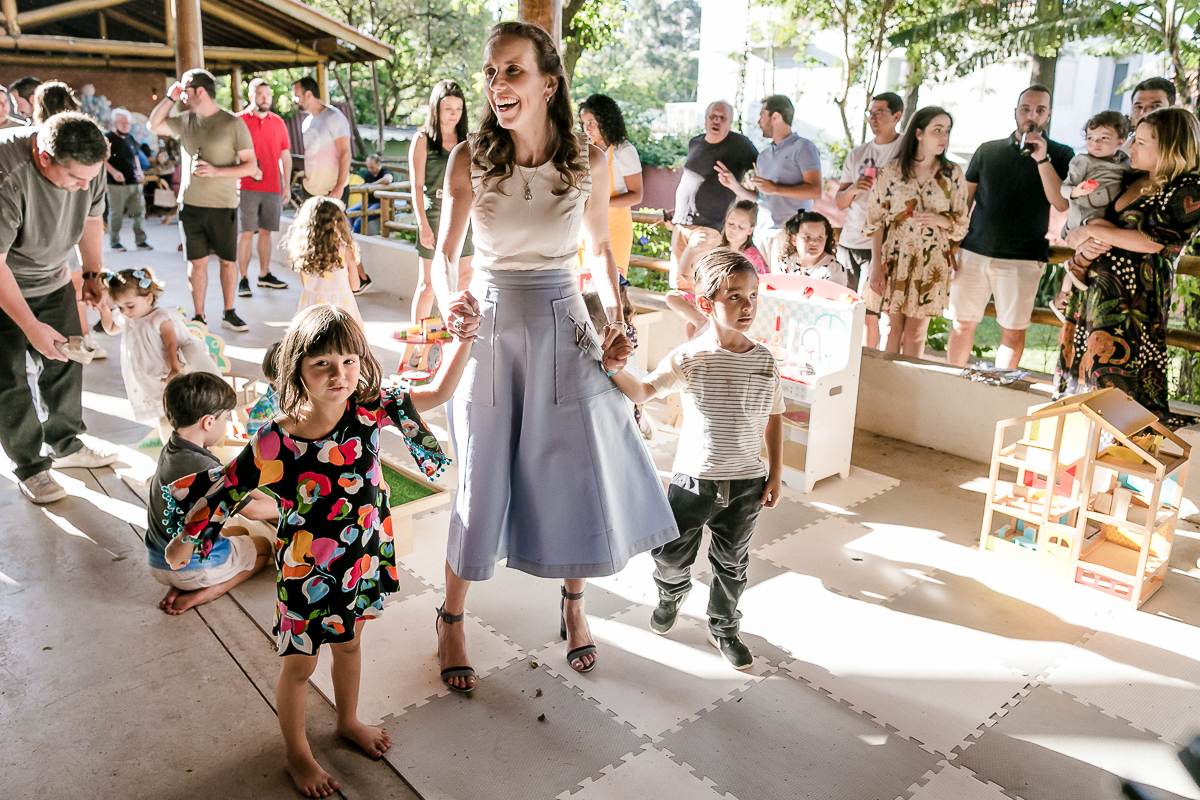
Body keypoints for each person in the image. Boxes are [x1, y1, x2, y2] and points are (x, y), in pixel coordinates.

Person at [430, 21, 679, 690]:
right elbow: (443, 257)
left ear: (548, 82)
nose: (497, 84)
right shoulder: (468, 161)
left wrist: (618, 321)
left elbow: (598, 253)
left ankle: (574, 607)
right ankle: (451, 618)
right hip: (490, 326)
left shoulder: (587, 161)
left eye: (512, 70)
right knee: (481, 481)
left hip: (567, 323)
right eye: (491, 72)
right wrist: (446, 301)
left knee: (574, 471)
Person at [162, 304, 470, 798]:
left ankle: (347, 719)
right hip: (306, 570)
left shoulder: (370, 407)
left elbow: (435, 394)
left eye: (349, 361)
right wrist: (186, 539)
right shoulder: (273, 440)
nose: (339, 374)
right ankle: (296, 753)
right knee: (300, 667)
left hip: (363, 555)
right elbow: (225, 489)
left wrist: (463, 341)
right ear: (298, 369)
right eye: (322, 364)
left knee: (350, 643)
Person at [610, 248, 783, 669]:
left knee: (733, 563)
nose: (747, 306)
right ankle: (671, 594)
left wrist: (775, 470)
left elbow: (775, 417)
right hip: (692, 483)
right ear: (705, 304)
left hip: (746, 485)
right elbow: (643, 392)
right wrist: (613, 367)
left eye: (753, 295)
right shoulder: (690, 358)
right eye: (735, 297)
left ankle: (724, 626)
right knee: (669, 555)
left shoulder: (763, 361)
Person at [1055, 108, 1200, 423]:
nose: (1130, 148)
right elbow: (1084, 220)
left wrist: (1094, 230)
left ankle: (1114, 466)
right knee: (1081, 389)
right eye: (1133, 139)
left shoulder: (1188, 189)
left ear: (1169, 148)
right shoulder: (1130, 176)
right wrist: (1079, 256)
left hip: (1132, 306)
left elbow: (1152, 241)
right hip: (1092, 297)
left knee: (1119, 398)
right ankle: (1076, 466)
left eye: (1141, 142)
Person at [0, 112, 116, 504]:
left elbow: (93, 219)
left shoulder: (89, 165)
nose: (85, 185)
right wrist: (31, 326)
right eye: (76, 179)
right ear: (45, 157)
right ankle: (30, 467)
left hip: (52, 277)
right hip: (6, 280)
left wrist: (92, 274)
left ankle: (65, 445)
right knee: (9, 377)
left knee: (68, 358)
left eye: (90, 177)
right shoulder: (8, 173)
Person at [946, 85, 1074, 369]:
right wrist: (951, 247)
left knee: (1012, 331)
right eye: (1026, 109)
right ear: (1015, 112)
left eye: (1040, 110)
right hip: (974, 252)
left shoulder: (1062, 154)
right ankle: (951, 380)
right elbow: (963, 202)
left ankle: (998, 390)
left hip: (1023, 257)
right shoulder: (987, 151)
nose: (1032, 115)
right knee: (961, 324)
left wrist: (1042, 158)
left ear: (1049, 115)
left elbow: (1061, 203)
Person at [147, 372, 275, 615]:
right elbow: (254, 511)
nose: (225, 425)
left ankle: (181, 585)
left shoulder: (172, 449)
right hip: (192, 570)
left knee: (238, 532)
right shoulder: (203, 467)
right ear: (208, 422)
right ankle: (209, 591)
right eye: (225, 419)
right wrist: (293, 504)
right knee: (262, 546)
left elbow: (233, 481)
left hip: (159, 561)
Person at [148, 68, 257, 331]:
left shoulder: (233, 123)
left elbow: (251, 166)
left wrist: (217, 171)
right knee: (196, 262)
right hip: (190, 206)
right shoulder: (185, 120)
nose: (183, 95)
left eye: (185, 90)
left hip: (223, 205)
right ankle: (199, 316)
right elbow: (153, 124)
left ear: (199, 91)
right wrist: (170, 97)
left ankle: (229, 312)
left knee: (227, 262)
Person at [863, 107, 969, 359]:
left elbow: (961, 223)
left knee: (916, 332)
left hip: (931, 261)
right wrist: (876, 265)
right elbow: (875, 221)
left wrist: (939, 219)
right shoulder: (891, 171)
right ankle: (886, 385)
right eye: (937, 130)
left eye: (946, 131)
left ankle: (909, 388)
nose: (943, 137)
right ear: (919, 133)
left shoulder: (953, 174)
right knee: (891, 326)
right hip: (894, 258)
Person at [94, 266, 222, 443]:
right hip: (151, 378)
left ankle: (197, 441)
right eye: (120, 307)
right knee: (164, 414)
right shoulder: (128, 318)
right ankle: (170, 449)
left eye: (129, 306)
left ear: (148, 298)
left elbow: (172, 343)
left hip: (169, 373)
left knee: (180, 410)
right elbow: (109, 328)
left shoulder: (160, 317)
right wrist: (103, 309)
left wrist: (174, 368)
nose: (124, 311)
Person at [716, 95, 821, 265]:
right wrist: (734, 185)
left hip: (789, 237)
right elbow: (760, 198)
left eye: (761, 115)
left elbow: (816, 190)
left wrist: (776, 188)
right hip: (761, 237)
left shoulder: (804, 148)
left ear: (776, 117)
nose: (759, 122)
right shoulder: (763, 156)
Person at [291, 76, 371, 293]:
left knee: (341, 235)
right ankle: (323, 277)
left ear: (309, 94)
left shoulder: (334, 117)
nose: (293, 99)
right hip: (312, 188)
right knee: (314, 234)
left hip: (332, 188)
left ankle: (360, 278)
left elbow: (346, 153)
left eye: (296, 94)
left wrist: (339, 187)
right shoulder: (307, 121)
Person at [837, 92, 904, 348]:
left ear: (896, 116)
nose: (873, 118)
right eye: (871, 113)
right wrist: (854, 188)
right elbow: (839, 202)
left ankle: (869, 365)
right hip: (849, 240)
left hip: (883, 245)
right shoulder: (858, 154)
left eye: (880, 113)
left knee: (870, 314)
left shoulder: (906, 151)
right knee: (845, 309)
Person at [1051, 111, 1131, 316]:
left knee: (1094, 251)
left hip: (1105, 214)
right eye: (1090, 138)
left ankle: (1065, 298)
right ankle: (1064, 295)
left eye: (1104, 138)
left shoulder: (1124, 162)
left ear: (1120, 141)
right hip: (1085, 216)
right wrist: (1077, 191)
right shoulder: (1083, 161)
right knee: (1090, 246)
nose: (1095, 143)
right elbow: (1065, 188)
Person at [670, 101, 758, 276]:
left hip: (710, 226)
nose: (716, 121)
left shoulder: (739, 144)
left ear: (730, 122)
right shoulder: (695, 142)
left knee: (691, 276)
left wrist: (737, 185)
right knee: (677, 286)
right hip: (682, 222)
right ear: (705, 120)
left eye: (722, 118)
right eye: (713, 117)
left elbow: (762, 176)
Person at [410, 81, 472, 321]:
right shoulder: (423, 139)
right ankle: (417, 347)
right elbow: (416, 186)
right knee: (428, 285)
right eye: (448, 109)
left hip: (462, 214)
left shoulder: (467, 140)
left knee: (463, 280)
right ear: (436, 109)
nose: (453, 115)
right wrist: (422, 224)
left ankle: (452, 340)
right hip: (433, 213)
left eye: (458, 109)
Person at [667, 199, 766, 338]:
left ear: (750, 229)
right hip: (713, 299)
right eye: (731, 224)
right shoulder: (717, 249)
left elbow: (760, 290)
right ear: (726, 220)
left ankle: (704, 325)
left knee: (692, 325)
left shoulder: (754, 258)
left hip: (734, 304)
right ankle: (702, 323)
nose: (733, 229)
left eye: (740, 227)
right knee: (673, 298)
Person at [236, 77, 291, 297]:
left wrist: (286, 185)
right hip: (246, 185)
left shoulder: (278, 122)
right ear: (251, 96)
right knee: (247, 233)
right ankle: (243, 279)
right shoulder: (238, 121)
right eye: (260, 94)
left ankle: (264, 274)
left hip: (272, 187)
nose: (265, 98)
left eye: (268, 94)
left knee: (267, 232)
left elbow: (285, 156)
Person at [579, 93, 643, 275]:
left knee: (610, 281)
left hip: (615, 228)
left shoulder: (625, 151)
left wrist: (600, 204)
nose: (587, 128)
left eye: (591, 122)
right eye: (584, 123)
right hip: (585, 227)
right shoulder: (586, 150)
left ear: (606, 120)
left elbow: (636, 195)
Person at [283, 196, 364, 330]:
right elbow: (355, 286)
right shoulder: (345, 251)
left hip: (311, 308)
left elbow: (305, 285)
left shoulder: (302, 252)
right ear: (336, 222)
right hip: (341, 309)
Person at [105, 109, 151, 253]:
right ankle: (114, 242)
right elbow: (101, 160)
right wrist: (114, 172)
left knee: (139, 213)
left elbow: (135, 157)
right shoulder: (107, 138)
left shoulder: (131, 138)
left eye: (128, 123)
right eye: (122, 123)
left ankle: (141, 241)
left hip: (134, 183)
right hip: (116, 184)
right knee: (116, 214)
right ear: (114, 123)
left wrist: (140, 171)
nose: (126, 126)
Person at [774, 211, 847, 285]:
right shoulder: (786, 263)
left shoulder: (833, 270)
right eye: (807, 237)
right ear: (794, 239)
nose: (814, 242)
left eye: (820, 237)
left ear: (826, 239)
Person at [1122, 77, 1176, 152]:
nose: (1144, 113)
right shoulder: (1119, 154)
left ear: (1172, 110)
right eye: (1138, 107)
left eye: (1155, 106)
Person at [347, 153, 393, 233]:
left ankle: (353, 236)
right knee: (349, 213)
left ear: (378, 164)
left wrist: (372, 185)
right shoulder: (368, 175)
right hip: (368, 202)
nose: (369, 169)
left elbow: (388, 179)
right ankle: (347, 232)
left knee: (361, 218)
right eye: (368, 167)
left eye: (372, 167)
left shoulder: (385, 172)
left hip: (380, 203)